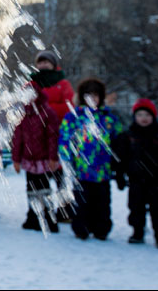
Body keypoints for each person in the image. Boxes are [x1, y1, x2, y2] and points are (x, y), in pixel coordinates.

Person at [58, 78, 122, 241]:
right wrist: (66, 158)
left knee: (102, 202)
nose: (92, 99)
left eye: (95, 96)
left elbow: (119, 140)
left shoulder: (108, 118)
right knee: (82, 201)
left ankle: (101, 229)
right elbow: (65, 138)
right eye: (88, 96)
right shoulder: (74, 117)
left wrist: (119, 161)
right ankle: (81, 228)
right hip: (82, 170)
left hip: (103, 170)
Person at [113, 98, 158, 249]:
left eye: (147, 115)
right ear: (134, 117)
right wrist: (119, 176)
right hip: (136, 180)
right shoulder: (128, 137)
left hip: (155, 181)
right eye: (140, 115)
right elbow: (121, 159)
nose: (144, 118)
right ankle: (137, 232)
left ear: (153, 117)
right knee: (136, 208)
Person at [30, 49, 74, 222]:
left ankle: (65, 211)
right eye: (40, 62)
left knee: (60, 175)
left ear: (54, 64)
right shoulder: (32, 84)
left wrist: (45, 111)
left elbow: (68, 106)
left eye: (46, 61)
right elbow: (25, 106)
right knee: (40, 176)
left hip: (58, 135)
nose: (43, 65)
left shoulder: (63, 84)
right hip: (38, 136)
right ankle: (43, 211)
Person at [12, 83, 61, 233]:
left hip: (44, 160)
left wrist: (53, 157)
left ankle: (48, 218)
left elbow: (53, 136)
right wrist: (16, 159)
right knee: (31, 190)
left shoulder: (47, 112)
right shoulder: (22, 114)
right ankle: (33, 217)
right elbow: (17, 138)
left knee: (45, 190)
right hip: (29, 159)